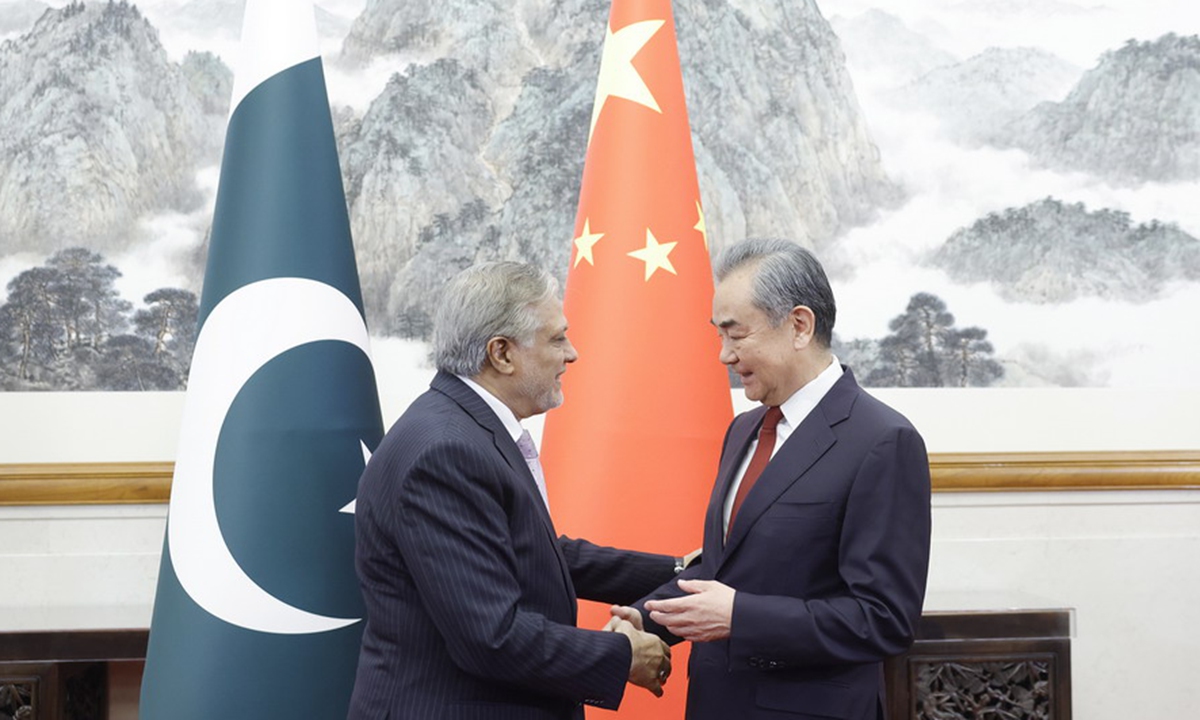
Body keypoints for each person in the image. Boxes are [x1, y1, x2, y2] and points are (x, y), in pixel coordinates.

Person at [613, 238, 932, 720]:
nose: (724, 355)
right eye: (719, 336)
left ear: (799, 325)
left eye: (736, 334)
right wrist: (645, 618)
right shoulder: (744, 430)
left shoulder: (883, 440)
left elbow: (884, 619)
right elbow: (724, 572)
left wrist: (741, 618)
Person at [348, 261, 678, 720]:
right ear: (501, 353)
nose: (572, 354)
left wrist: (682, 571)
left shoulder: (462, 429)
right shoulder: (446, 451)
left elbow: (534, 555)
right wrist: (623, 655)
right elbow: (490, 637)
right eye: (557, 339)